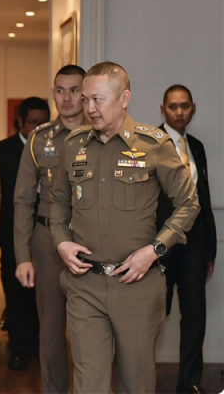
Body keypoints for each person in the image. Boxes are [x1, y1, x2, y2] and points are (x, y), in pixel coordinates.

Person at [50, 62, 200, 394]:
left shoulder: (154, 144)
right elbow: (58, 201)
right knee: (88, 384)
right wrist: (61, 241)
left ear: (124, 98)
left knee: (136, 383)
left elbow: (189, 203)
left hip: (137, 287)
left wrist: (155, 250)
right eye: (85, 99)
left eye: (98, 99)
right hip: (84, 284)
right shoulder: (74, 145)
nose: (90, 108)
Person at [14, 65, 85, 394]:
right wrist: (22, 256)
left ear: (85, 93)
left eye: (74, 90)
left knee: (91, 330)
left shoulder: (102, 133)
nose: (67, 98)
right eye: (60, 90)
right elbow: (23, 201)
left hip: (91, 241)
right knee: (52, 331)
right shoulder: (38, 139)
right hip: (47, 243)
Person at [157, 85, 216, 394]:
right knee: (155, 314)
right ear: (163, 110)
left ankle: (189, 383)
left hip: (194, 245)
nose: (179, 112)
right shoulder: (150, 142)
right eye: (173, 106)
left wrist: (211, 250)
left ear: (193, 109)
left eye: (185, 106)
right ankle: (140, 381)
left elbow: (204, 199)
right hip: (160, 244)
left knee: (194, 316)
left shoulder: (196, 146)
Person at [0, 97, 49, 371]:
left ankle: (40, 345)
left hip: (48, 236)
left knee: (44, 295)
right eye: (33, 122)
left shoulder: (56, 149)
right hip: (12, 236)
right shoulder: (1, 152)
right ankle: (18, 348)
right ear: (20, 122)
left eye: (43, 123)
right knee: (16, 294)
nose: (38, 128)